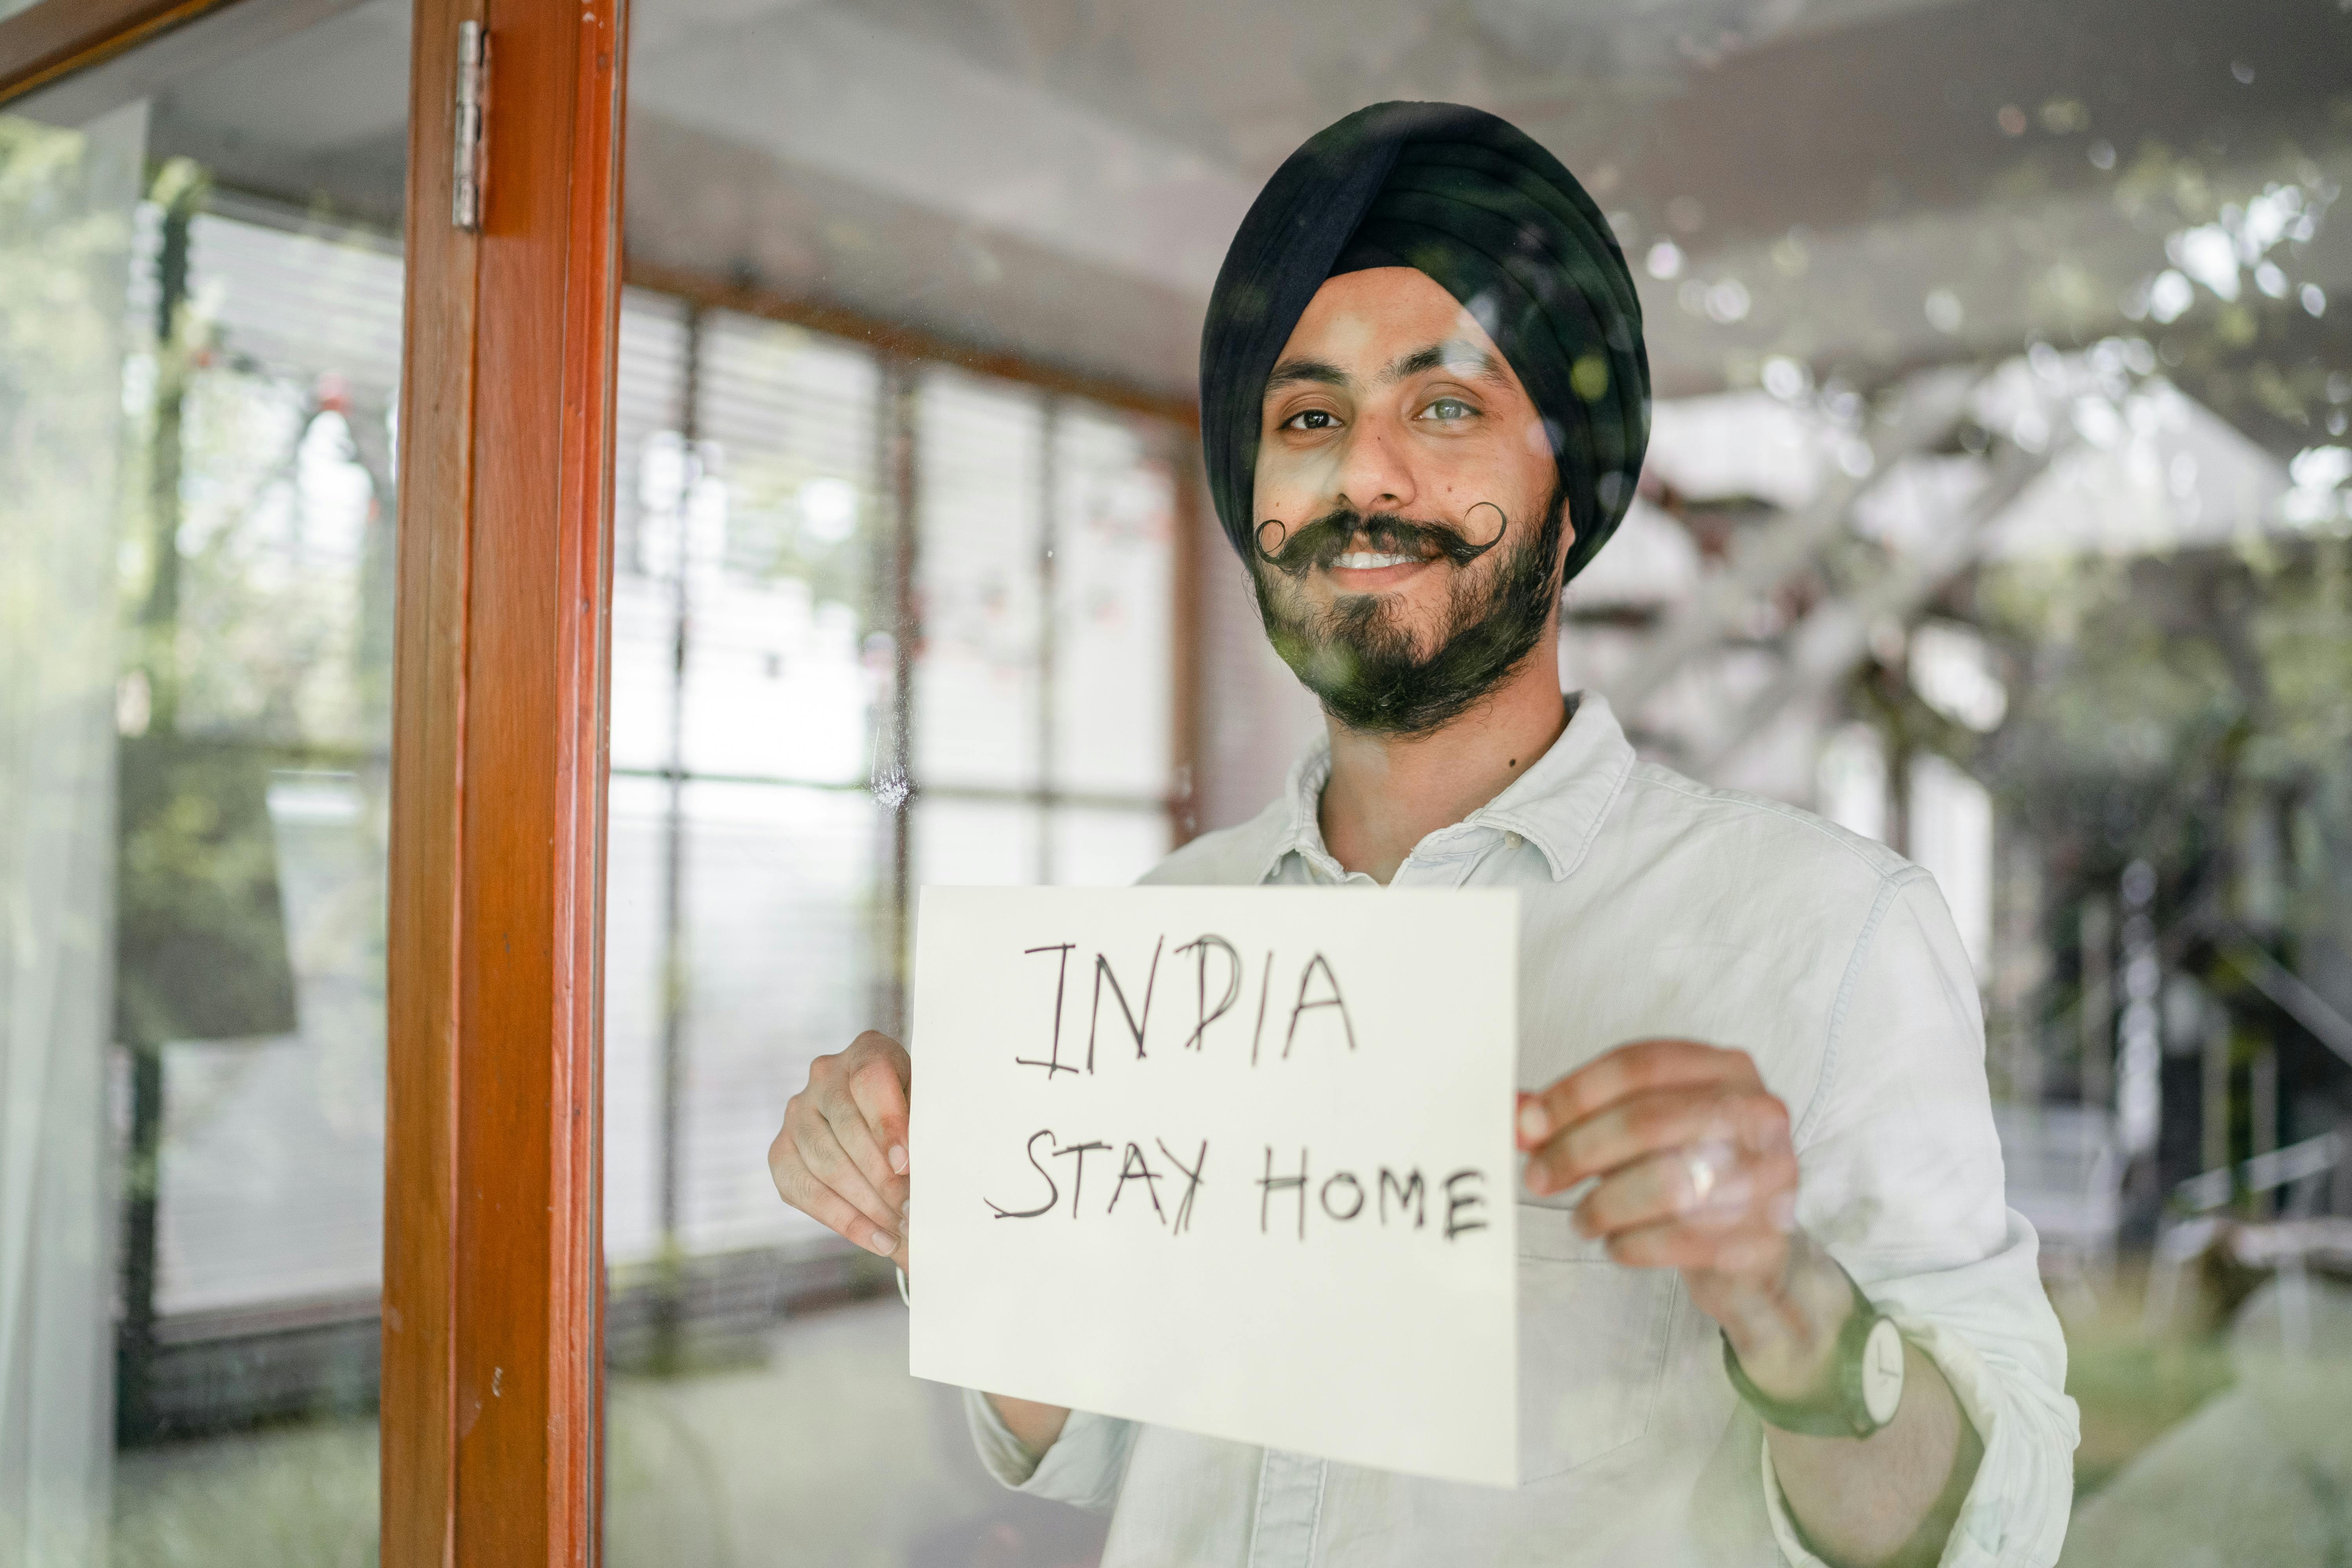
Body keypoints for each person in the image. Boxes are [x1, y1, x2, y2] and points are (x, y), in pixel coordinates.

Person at [768, 101, 2075, 1568]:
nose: (1368, 477)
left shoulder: (1829, 935)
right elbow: (1092, 1445)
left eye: (1444, 409)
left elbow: (1990, 1527)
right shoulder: (1161, 935)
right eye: (1309, 417)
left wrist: (1783, 1300)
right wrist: (938, 1204)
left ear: (1567, 501)